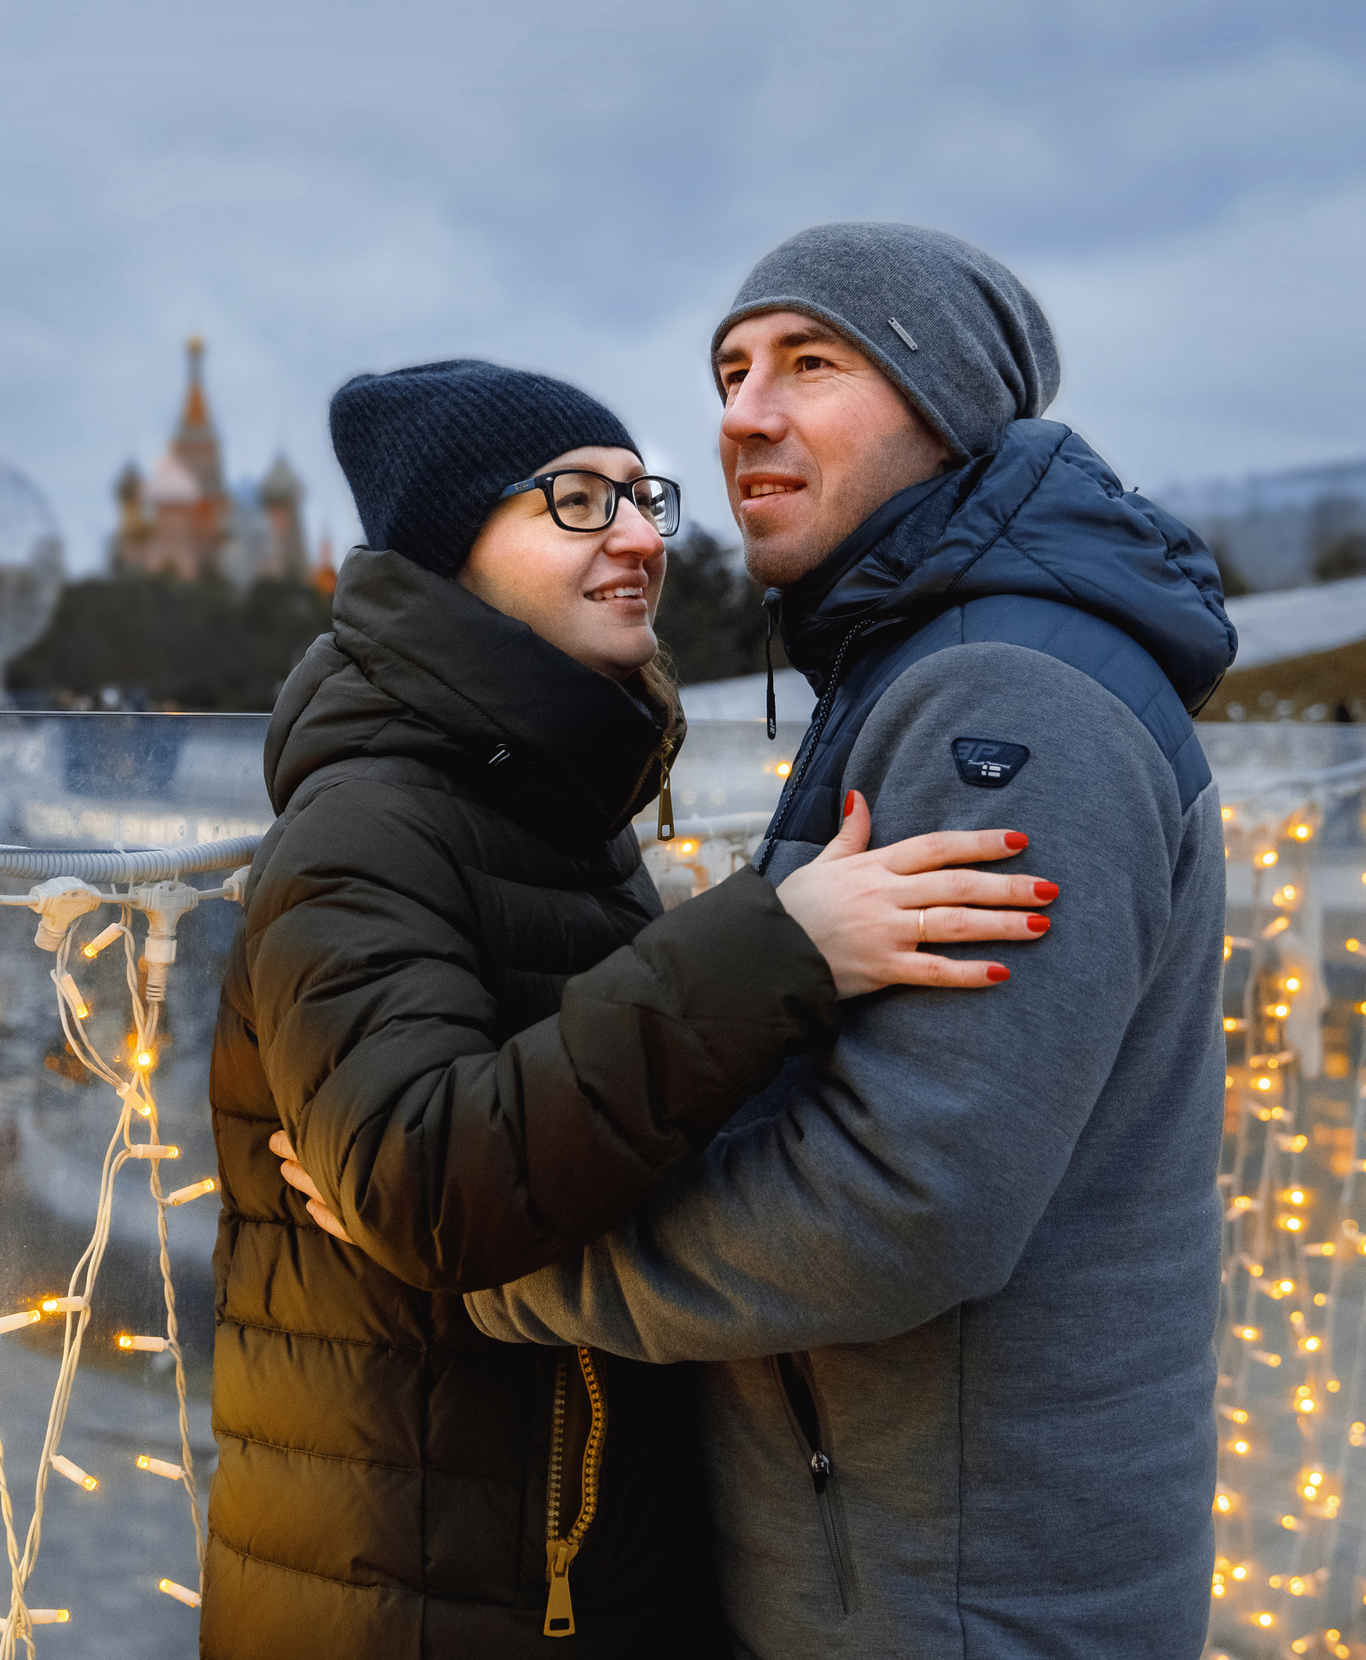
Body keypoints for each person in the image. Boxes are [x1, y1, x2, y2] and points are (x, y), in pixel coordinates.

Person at [454, 225, 1237, 1657]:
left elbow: (905, 1201)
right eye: (731, 372)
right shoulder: (921, 657)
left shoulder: (1009, 698)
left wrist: (506, 1269)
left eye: (812, 364)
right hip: (907, 1559)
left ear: (948, 405)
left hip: (959, 1593)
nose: (744, 414)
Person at [203, 358, 1060, 1659]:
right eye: (575, 501)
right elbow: (423, 1186)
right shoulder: (369, 823)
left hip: (549, 1562)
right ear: (448, 551)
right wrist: (782, 947)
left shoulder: (548, 799)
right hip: (421, 1601)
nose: (643, 538)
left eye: (641, 496)